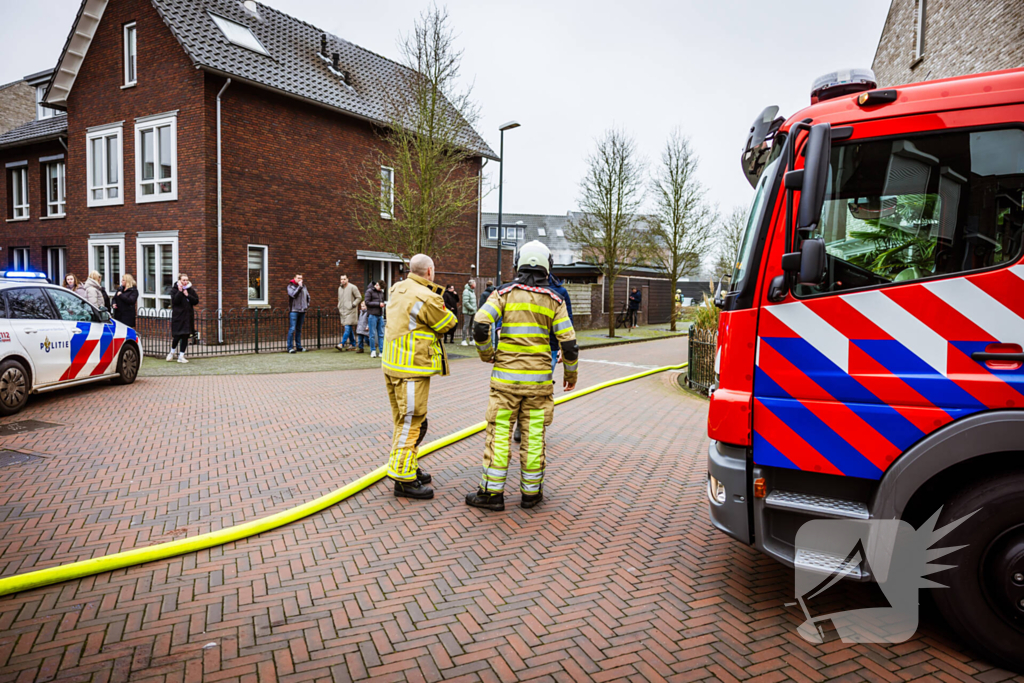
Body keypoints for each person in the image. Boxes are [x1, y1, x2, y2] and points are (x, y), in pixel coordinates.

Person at [466, 241, 578, 511]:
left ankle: (491, 495)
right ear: (546, 267)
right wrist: (571, 375)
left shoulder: (503, 294)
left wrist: (487, 354)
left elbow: (481, 325)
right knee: (534, 436)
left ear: (518, 264)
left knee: (500, 434)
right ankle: (531, 494)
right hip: (539, 386)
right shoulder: (555, 300)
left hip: (505, 384)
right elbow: (569, 343)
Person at [382, 254, 458, 499]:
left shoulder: (397, 288)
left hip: (392, 364)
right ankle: (403, 478)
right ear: (430, 271)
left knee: (402, 420)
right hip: (412, 368)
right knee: (413, 422)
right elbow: (448, 323)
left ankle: (408, 466)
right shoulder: (427, 296)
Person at [514, 269, 573, 443]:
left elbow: (568, 321)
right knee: (521, 385)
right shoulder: (517, 288)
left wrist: (564, 346)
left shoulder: (559, 292)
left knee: (540, 387)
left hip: (550, 348)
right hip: (522, 346)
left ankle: (533, 426)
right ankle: (521, 424)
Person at [168, 273, 198, 363]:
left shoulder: (190, 290)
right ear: (179, 281)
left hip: (188, 317)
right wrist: (180, 292)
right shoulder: (174, 290)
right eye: (183, 280)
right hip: (178, 317)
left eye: (186, 280)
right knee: (177, 336)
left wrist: (187, 295)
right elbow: (175, 301)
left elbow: (196, 301)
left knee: (185, 336)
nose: (185, 282)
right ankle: (172, 352)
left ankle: (181, 356)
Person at [336, 274, 362, 351]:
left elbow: (359, 297)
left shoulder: (353, 287)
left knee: (347, 327)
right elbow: (339, 298)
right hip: (343, 311)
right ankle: (353, 344)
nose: (343, 280)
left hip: (351, 311)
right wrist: (339, 305)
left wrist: (353, 304)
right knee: (349, 328)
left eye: (344, 279)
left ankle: (341, 344)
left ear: (347, 279)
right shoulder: (339, 288)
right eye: (341, 279)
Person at [287, 274, 310, 353]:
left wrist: (306, 305)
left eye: (301, 278)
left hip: (302, 311)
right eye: (298, 278)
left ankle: (299, 347)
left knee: (299, 329)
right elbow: (293, 295)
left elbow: (307, 296)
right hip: (294, 311)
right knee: (292, 329)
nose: (300, 279)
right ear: (294, 278)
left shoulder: (304, 286)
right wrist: (299, 287)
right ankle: (290, 348)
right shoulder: (290, 286)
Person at [364, 280, 386, 358]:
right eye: (380, 288)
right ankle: (373, 351)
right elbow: (367, 302)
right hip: (372, 315)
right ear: (376, 285)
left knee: (381, 334)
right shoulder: (369, 291)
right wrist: (378, 304)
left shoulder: (381, 293)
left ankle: (381, 351)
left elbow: (381, 301)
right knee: (372, 335)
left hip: (380, 315)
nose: (380, 290)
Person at [460, 280, 477, 345]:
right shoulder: (466, 291)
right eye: (474, 283)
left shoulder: (472, 291)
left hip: (473, 311)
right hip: (467, 312)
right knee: (466, 325)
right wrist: (472, 308)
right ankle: (463, 340)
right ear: (472, 285)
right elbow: (465, 302)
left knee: (471, 326)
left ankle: (471, 340)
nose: (475, 285)